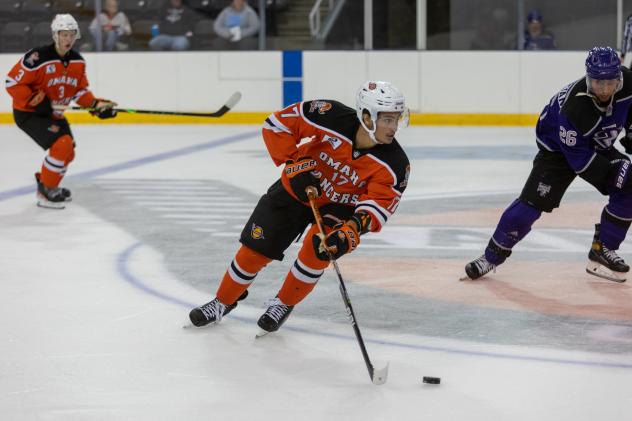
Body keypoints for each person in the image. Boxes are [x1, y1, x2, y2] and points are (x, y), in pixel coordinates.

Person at [188, 81, 411, 334]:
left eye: (396, 120)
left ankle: (283, 303)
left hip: (340, 207)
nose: (394, 128)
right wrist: (296, 164)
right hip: (296, 190)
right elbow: (277, 125)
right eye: (388, 120)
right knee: (254, 252)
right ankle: (223, 301)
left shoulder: (395, 163)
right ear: (366, 116)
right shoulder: (329, 114)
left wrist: (349, 231)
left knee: (317, 251)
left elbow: (378, 206)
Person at [462, 47, 632, 283]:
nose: (604, 90)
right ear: (588, 78)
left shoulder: (628, 83)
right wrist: (613, 174)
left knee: (629, 185)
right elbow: (580, 161)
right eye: (597, 83)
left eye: (610, 83)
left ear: (619, 78)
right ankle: (490, 257)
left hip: (597, 141)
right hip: (559, 151)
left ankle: (603, 249)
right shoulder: (574, 110)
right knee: (531, 205)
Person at [4, 14, 117, 209]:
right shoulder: (37, 57)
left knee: (69, 152)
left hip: (53, 114)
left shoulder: (78, 62)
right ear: (55, 35)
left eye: (72, 35)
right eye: (64, 34)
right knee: (62, 145)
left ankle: (49, 184)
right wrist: (32, 100)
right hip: (29, 113)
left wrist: (97, 106)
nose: (68, 39)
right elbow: (12, 82)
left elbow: (80, 92)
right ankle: (46, 192)